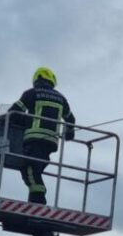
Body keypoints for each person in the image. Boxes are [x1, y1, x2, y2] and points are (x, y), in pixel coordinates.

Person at [10, 67, 75, 204]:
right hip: (51, 142)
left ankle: (39, 198)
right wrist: (69, 133)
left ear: (36, 79)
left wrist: (11, 121)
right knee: (36, 169)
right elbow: (71, 120)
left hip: (34, 139)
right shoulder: (61, 98)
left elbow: (14, 112)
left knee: (28, 168)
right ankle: (35, 198)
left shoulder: (31, 93)